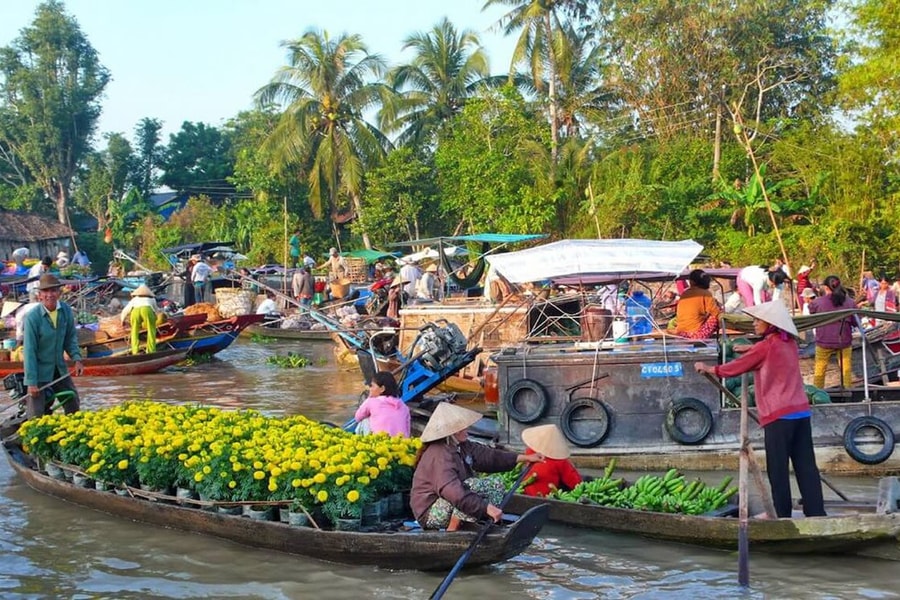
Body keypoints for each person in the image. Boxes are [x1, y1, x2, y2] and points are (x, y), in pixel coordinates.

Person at [694, 301, 826, 519]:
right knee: (806, 466)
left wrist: (710, 368)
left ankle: (781, 514)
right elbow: (766, 353)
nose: (754, 324)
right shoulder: (789, 343)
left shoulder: (766, 347)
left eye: (758, 320)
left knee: (778, 469)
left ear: (770, 324)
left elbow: (736, 367)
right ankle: (816, 512)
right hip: (801, 413)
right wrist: (751, 349)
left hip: (779, 416)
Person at [410, 402, 545, 530]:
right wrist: (485, 507)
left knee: (497, 484)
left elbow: (489, 457)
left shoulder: (462, 446)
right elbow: (453, 492)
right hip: (430, 511)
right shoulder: (439, 454)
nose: (467, 429)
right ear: (453, 431)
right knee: (471, 485)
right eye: (463, 427)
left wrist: (523, 458)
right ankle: (454, 530)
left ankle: (479, 524)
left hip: (452, 501)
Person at [22, 274, 84, 418]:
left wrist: (77, 358)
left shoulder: (65, 311)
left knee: (73, 401)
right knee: (36, 413)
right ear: (40, 296)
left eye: (53, 291)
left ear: (59, 293)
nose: (50, 295)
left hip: (58, 367)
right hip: (39, 371)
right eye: (46, 292)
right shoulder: (33, 317)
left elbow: (70, 338)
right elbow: (29, 351)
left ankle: (73, 430)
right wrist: (31, 382)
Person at [809, 275, 855, 389]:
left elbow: (811, 312)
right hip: (844, 341)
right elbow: (855, 322)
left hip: (824, 341)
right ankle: (848, 393)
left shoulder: (818, 302)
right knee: (846, 370)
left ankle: (818, 394)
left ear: (825, 287)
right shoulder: (850, 302)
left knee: (820, 371)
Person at [520, 424, 582, 497]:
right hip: (546, 496)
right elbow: (575, 483)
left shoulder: (529, 452)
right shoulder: (560, 461)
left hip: (525, 492)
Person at [353, 371, 410, 436]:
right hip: (402, 444)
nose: (370, 389)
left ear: (382, 389)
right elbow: (408, 431)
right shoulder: (403, 406)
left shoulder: (371, 402)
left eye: (372, 386)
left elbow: (357, 417)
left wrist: (369, 398)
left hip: (380, 442)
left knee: (364, 421)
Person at [674, 269, 722, 338]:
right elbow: (715, 312)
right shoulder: (706, 293)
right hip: (695, 334)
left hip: (680, 332)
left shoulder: (685, 293)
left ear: (691, 282)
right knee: (715, 318)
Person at [120, 284, 160, 355]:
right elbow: (156, 310)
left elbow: (125, 310)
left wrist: (122, 320)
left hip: (135, 311)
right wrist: (155, 318)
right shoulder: (151, 299)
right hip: (147, 309)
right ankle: (151, 351)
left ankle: (135, 351)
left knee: (134, 331)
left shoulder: (134, 299)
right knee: (151, 330)